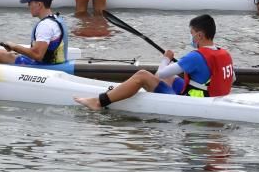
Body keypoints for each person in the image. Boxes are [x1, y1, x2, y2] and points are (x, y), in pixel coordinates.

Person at [75, 15, 234, 110]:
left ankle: (98, 102)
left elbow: (159, 74)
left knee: (143, 75)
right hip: (214, 97)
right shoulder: (224, 53)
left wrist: (166, 58)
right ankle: (125, 90)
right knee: (171, 78)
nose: (190, 37)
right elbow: (230, 78)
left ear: (199, 36)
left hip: (193, 103)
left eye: (191, 33)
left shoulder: (195, 56)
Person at [0, 0, 67, 65]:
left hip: (43, 66)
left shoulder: (45, 25)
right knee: (8, 54)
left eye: (30, 3)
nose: (28, 6)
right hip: (53, 62)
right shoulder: (56, 19)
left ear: (39, 5)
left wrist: (15, 47)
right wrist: (14, 48)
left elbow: (37, 55)